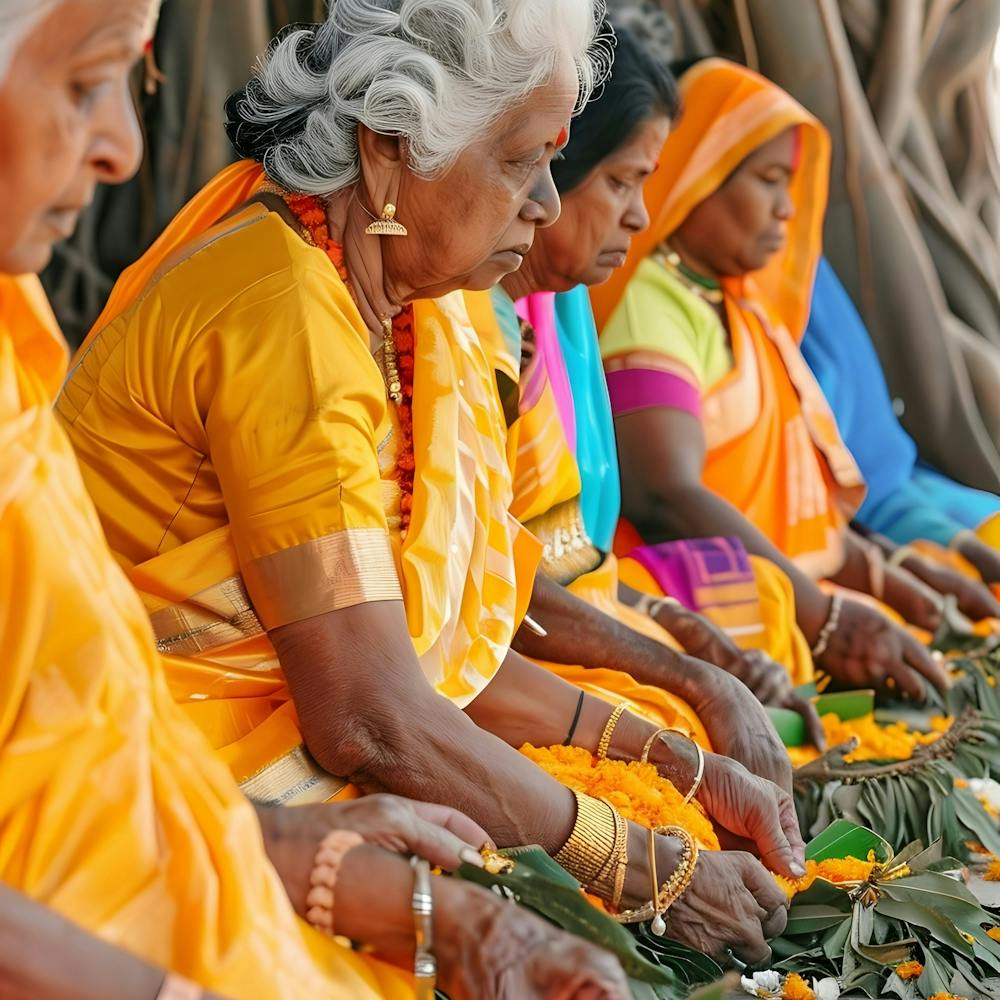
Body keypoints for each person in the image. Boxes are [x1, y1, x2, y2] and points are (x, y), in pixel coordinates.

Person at [57, 2, 797, 965]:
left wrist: (675, 762)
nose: (545, 200)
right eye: (522, 159)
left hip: (333, 736)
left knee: (643, 793)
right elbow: (371, 713)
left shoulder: (417, 312)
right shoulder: (284, 310)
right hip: (178, 772)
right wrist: (639, 868)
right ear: (388, 150)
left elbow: (445, 650)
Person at [480, 28, 824, 762]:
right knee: (703, 724)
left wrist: (688, 639)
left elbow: (567, 551)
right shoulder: (475, 315)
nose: (640, 214)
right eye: (622, 180)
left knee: (746, 651)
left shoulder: (558, 305)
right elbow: (493, 587)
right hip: (506, 639)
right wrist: (691, 665)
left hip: (581, 599)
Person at [591, 58, 964, 703]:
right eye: (768, 180)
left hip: (793, 597)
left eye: (790, 185)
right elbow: (664, 496)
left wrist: (883, 573)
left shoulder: (745, 312)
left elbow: (801, 516)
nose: (787, 209)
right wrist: (821, 616)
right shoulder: (655, 303)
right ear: (698, 174)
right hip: (706, 598)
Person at [803, 255, 1000, 595]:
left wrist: (960, 544)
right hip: (822, 564)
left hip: (906, 506)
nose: (784, 209)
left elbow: (882, 469)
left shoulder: (804, 272)